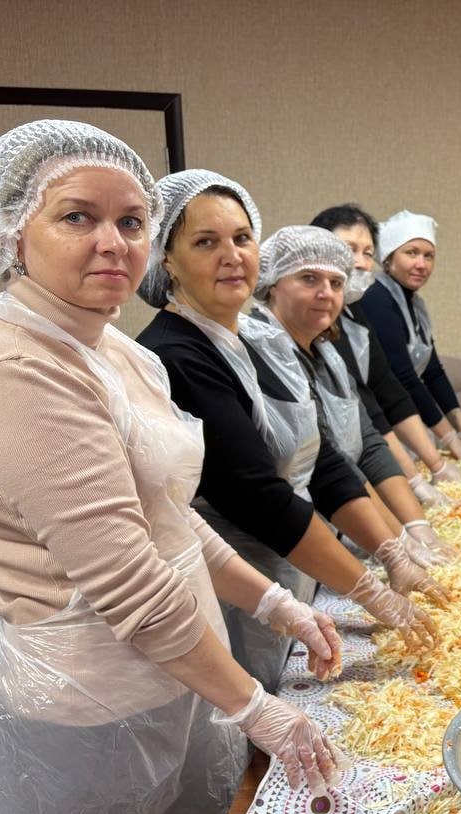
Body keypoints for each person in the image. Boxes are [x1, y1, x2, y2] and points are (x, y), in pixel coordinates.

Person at [0, 121, 346, 814]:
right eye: (76, 217)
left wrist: (274, 602)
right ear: (13, 231)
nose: (112, 242)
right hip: (85, 710)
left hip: (173, 682)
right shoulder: (18, 369)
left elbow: (169, 519)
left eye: (130, 222)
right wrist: (253, 704)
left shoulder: (117, 353)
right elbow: (128, 578)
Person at [137, 170, 442, 692]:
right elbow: (257, 497)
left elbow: (321, 458)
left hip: (282, 569)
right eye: (206, 242)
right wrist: (370, 591)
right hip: (226, 590)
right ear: (167, 259)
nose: (232, 256)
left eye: (241, 238)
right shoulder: (176, 354)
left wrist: (392, 549)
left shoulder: (251, 343)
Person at [252, 224, 457, 564]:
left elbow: (367, 439)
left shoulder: (327, 353)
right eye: (309, 279)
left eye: (336, 283)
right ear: (272, 283)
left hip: (342, 525)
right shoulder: (263, 353)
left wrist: (417, 526)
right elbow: (329, 464)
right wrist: (398, 543)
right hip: (284, 544)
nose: (326, 293)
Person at [310, 203, 461, 503]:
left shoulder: (354, 308)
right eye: (349, 249)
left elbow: (386, 386)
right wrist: (414, 480)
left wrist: (437, 465)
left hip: (365, 454)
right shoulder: (324, 317)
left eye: (368, 253)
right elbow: (364, 401)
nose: (361, 263)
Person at [358, 209, 461, 460]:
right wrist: (453, 441)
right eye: (411, 253)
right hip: (380, 427)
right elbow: (404, 377)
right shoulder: (377, 299)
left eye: (428, 256)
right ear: (388, 258)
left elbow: (433, 372)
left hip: (407, 421)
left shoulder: (413, 306)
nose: (421, 265)